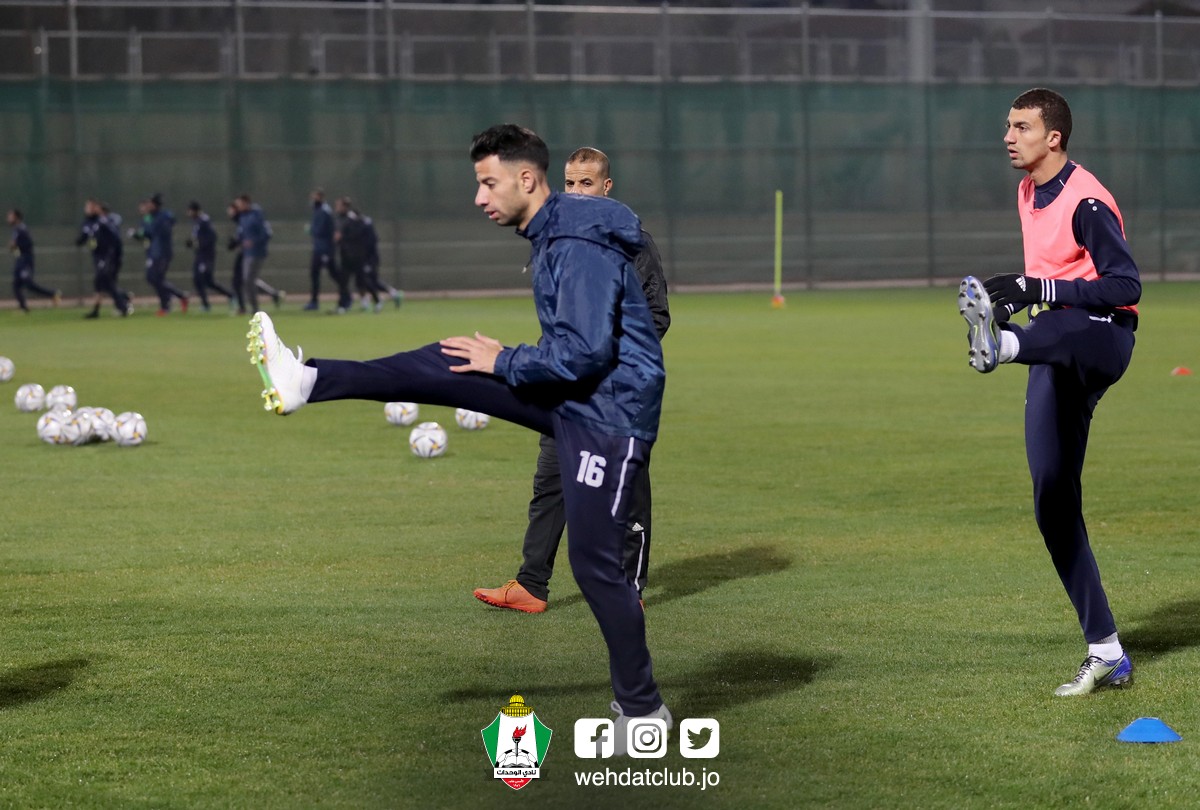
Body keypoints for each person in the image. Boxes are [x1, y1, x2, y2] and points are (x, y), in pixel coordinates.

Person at [245, 124, 671, 752]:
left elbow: (585, 352)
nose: (479, 197)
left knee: (594, 566)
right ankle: (307, 379)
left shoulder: (575, 241)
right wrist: (502, 361)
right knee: (451, 359)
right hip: (577, 396)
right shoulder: (552, 233)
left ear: (526, 178)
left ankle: (643, 711)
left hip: (609, 417)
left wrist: (506, 361)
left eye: (487, 183)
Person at [958, 88, 1140, 697]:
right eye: (1008, 126)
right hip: (1055, 350)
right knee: (1052, 500)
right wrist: (1019, 296)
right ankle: (1106, 651)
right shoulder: (1027, 190)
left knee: (1052, 324)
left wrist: (1036, 289)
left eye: (1021, 127)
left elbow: (1125, 285)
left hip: (1102, 337)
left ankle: (1004, 345)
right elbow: (1049, 279)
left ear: (1053, 137)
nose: (1009, 136)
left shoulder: (1086, 199)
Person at [474, 147, 670, 614]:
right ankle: (531, 584)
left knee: (626, 495)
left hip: (618, 394)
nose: (577, 190)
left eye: (586, 182)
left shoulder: (632, 241)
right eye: (569, 182)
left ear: (606, 187)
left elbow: (656, 316)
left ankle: (629, 591)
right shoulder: (555, 237)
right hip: (564, 389)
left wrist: (599, 357)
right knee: (551, 483)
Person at [131, 193, 188, 316]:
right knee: (154, 279)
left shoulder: (163, 216)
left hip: (162, 252)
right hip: (153, 252)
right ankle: (176, 298)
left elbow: (161, 229)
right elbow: (146, 233)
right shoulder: (149, 218)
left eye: (149, 204)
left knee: (155, 278)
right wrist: (137, 235)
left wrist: (145, 232)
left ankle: (170, 302)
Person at [76, 198, 132, 318]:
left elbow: (114, 235)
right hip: (97, 256)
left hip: (108, 255)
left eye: (91, 206)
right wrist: (80, 240)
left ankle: (121, 305)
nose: (88, 209)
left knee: (102, 279)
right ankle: (123, 298)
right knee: (103, 282)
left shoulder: (105, 220)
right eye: (87, 207)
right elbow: (84, 236)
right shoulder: (87, 222)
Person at [233, 194, 282, 313]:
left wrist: (253, 242)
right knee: (248, 280)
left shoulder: (256, 215)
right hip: (247, 253)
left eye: (240, 204)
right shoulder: (242, 217)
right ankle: (271, 295)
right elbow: (242, 234)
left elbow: (267, 233)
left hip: (256, 253)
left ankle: (255, 308)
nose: (238, 207)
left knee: (248, 280)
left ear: (246, 203)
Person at [186, 201, 235, 312]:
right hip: (200, 254)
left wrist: (199, 244)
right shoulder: (197, 222)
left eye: (190, 211)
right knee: (206, 281)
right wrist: (193, 243)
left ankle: (207, 304)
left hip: (206, 256)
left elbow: (212, 237)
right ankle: (228, 295)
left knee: (200, 278)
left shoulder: (204, 221)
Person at [8, 209, 59, 312]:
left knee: (29, 284)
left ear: (16, 217)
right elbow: (14, 246)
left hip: (25, 261)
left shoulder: (22, 229)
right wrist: (14, 247)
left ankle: (53, 294)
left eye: (10, 216)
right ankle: (23, 308)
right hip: (20, 260)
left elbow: (25, 244)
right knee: (16, 285)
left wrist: (14, 246)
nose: (8, 218)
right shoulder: (16, 229)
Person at [358, 213, 402, 312]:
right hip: (368, 259)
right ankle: (392, 294)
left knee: (368, 280)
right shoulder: (367, 231)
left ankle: (378, 299)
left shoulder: (367, 233)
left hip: (370, 260)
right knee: (370, 281)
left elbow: (369, 245)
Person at [334, 197, 369, 314]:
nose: (336, 208)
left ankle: (364, 302)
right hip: (345, 255)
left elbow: (358, 235)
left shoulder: (354, 219)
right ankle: (343, 304)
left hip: (357, 254)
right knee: (343, 281)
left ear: (345, 206)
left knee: (360, 280)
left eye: (339, 206)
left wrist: (342, 237)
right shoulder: (339, 219)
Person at [306, 188, 336, 311]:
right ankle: (314, 301)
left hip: (324, 249)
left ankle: (346, 296)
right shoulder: (318, 210)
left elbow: (320, 230)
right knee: (315, 274)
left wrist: (311, 229)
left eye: (315, 197)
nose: (313, 200)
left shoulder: (324, 211)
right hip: (318, 248)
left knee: (334, 273)